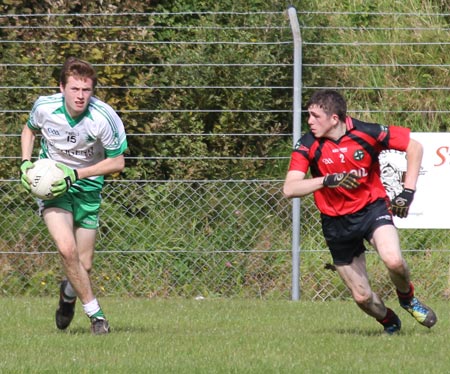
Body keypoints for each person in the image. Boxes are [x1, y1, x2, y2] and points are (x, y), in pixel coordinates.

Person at [283, 89, 437, 334]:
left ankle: (408, 299)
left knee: (394, 260)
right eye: (308, 115)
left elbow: (414, 147)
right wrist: (326, 180)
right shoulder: (308, 144)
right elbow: (290, 188)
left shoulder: (367, 132)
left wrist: (408, 192)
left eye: (315, 116)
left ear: (334, 118)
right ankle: (389, 321)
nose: (309, 121)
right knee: (362, 297)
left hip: (371, 209)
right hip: (336, 223)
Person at [20, 57, 128, 335]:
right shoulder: (45, 107)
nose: (80, 96)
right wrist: (25, 162)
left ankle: (68, 295)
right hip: (54, 188)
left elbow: (118, 162)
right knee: (66, 249)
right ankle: (97, 317)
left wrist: (77, 175)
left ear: (92, 91)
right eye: (74, 89)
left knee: (84, 264)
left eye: (86, 90)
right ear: (62, 87)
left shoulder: (104, 117)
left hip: (87, 188)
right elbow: (29, 130)